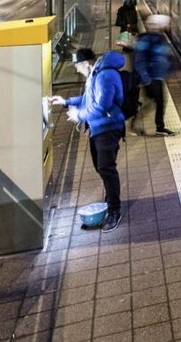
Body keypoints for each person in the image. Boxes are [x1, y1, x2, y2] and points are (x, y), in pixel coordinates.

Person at [50, 47, 126, 231]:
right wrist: (67, 102)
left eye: (77, 66)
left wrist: (80, 115)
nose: (76, 70)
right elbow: (88, 98)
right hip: (98, 127)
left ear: (86, 63)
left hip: (108, 127)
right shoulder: (95, 74)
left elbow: (102, 106)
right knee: (101, 167)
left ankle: (114, 210)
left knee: (106, 168)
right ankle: (111, 198)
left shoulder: (104, 76)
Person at [132, 14, 174, 136]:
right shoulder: (146, 40)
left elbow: (164, 57)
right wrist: (146, 79)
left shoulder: (158, 38)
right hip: (152, 77)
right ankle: (158, 127)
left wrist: (169, 71)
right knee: (157, 102)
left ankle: (135, 123)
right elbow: (140, 61)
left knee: (153, 103)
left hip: (157, 77)